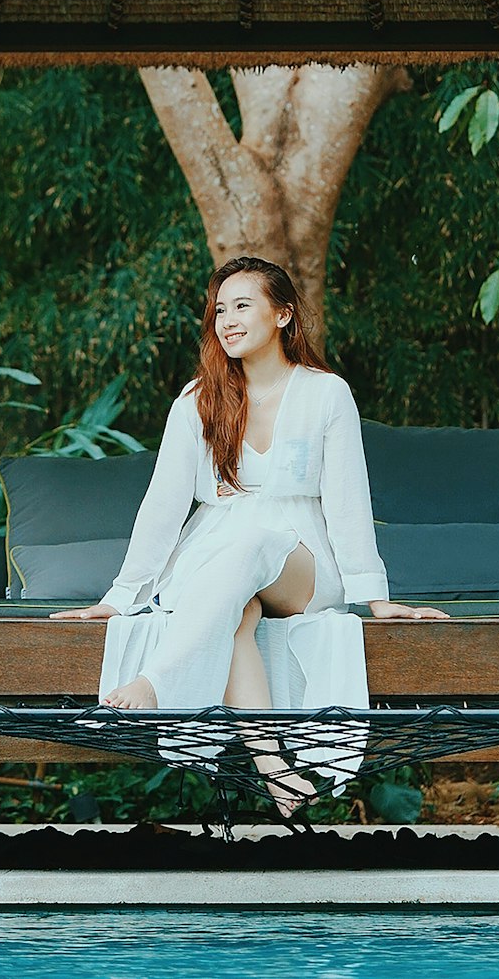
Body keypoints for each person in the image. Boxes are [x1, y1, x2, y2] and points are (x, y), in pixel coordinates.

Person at [52, 256, 447, 812]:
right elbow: (163, 505)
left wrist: (374, 599)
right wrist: (121, 598)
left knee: (252, 542)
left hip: (300, 563)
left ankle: (157, 684)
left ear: (283, 314)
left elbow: (348, 500)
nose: (227, 320)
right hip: (216, 559)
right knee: (235, 608)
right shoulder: (196, 400)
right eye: (219, 310)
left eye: (243, 306)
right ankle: (274, 767)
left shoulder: (326, 394)